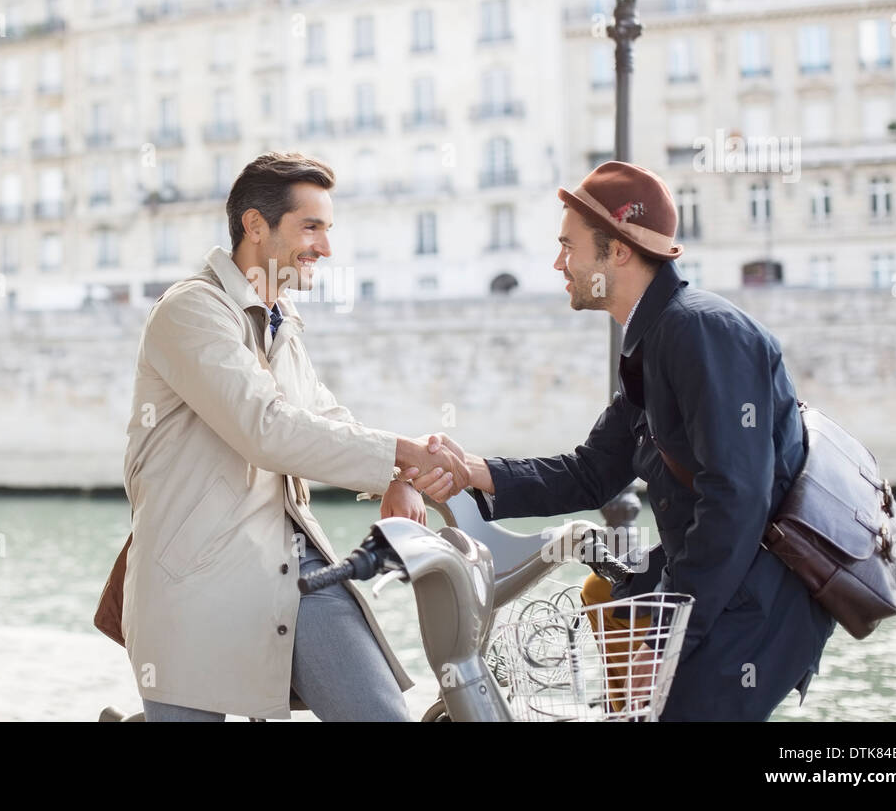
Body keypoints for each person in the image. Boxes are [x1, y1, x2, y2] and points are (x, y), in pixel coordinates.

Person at [425, 160, 837, 721]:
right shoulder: (658, 337)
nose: (557, 262)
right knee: (609, 608)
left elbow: (735, 499)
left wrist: (664, 635)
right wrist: (475, 471)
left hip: (757, 599)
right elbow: (592, 472)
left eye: (568, 246)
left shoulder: (698, 330)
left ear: (617, 250)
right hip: (725, 586)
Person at [121, 150, 468, 721]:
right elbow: (266, 428)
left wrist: (404, 471)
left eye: (328, 230)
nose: (325, 247)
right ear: (255, 225)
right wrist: (399, 458)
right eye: (311, 227)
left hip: (295, 571)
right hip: (194, 583)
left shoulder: (279, 321)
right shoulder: (191, 312)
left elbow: (326, 418)